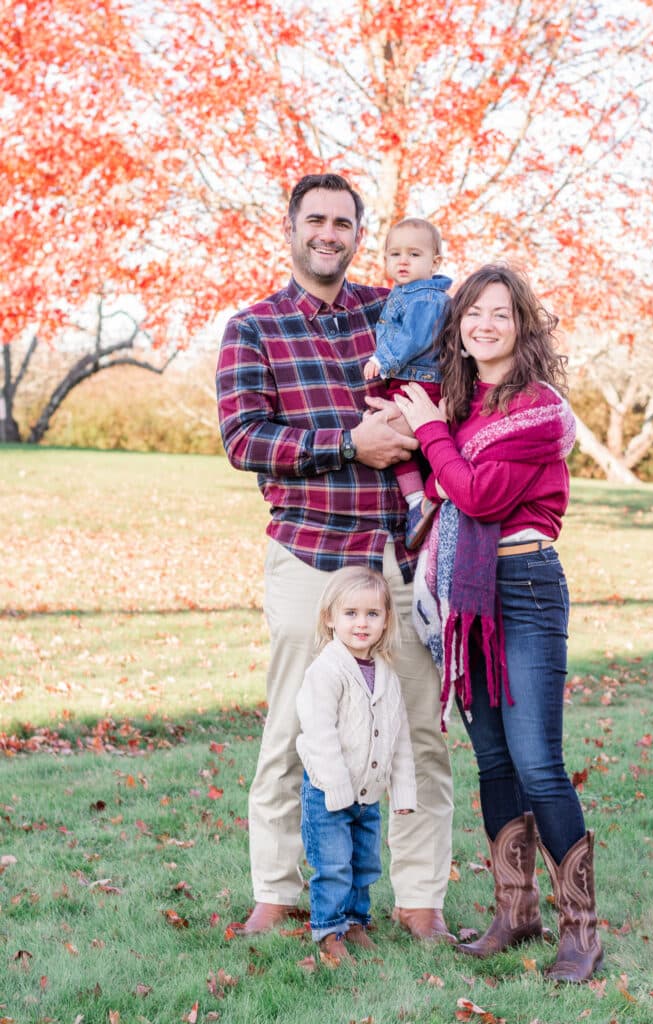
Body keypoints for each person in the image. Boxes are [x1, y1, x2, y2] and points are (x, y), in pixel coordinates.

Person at [216, 173, 456, 943]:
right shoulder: (252, 328)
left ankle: (420, 901)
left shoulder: (393, 308)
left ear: (359, 234)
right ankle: (277, 891)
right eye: (315, 220)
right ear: (290, 227)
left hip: (399, 558)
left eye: (343, 223)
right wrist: (347, 444)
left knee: (419, 730)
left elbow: (455, 369)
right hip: (311, 557)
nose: (328, 233)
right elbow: (244, 440)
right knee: (293, 727)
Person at [390, 264, 603, 983]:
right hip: (466, 598)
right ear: (457, 326)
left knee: (538, 761)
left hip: (525, 588)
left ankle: (580, 928)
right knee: (493, 761)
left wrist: (428, 430)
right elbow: (426, 457)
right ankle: (515, 911)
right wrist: (421, 419)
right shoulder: (460, 403)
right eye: (472, 312)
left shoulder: (537, 409)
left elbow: (476, 495)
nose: (484, 324)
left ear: (523, 327)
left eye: (500, 314)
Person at [296, 566, 416, 961]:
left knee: (365, 864)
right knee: (332, 865)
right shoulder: (326, 671)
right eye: (350, 613)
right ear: (330, 618)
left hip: (368, 794)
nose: (361, 623)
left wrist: (402, 791)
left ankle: (355, 922)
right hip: (328, 791)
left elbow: (397, 737)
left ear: (385, 622)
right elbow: (319, 734)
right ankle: (329, 933)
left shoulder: (386, 675)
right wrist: (337, 788)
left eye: (372, 614)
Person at [362, 218, 452, 550]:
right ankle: (420, 500)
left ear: (435, 262)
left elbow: (412, 337)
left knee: (396, 436)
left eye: (414, 254)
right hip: (410, 381)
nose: (402, 261)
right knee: (397, 442)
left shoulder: (425, 299)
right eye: (394, 253)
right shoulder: (406, 293)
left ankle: (422, 499)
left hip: (419, 382)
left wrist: (382, 360)